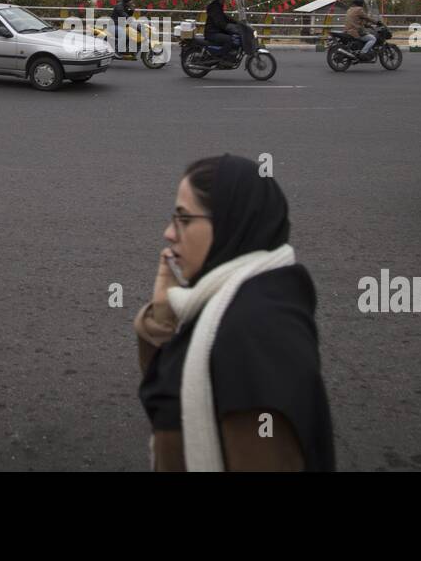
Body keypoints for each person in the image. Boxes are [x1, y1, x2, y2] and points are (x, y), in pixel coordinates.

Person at [136, 154, 336, 472]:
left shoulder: (252, 340)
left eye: (184, 220)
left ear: (232, 224)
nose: (169, 233)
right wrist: (163, 310)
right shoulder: (238, 300)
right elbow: (170, 387)